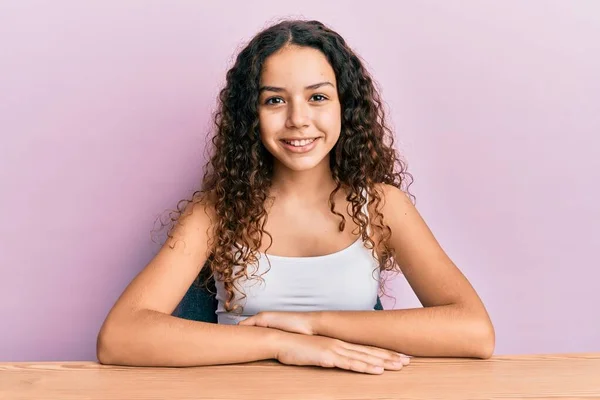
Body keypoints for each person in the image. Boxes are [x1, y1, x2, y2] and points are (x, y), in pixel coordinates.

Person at [97, 19, 495, 375]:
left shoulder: (381, 206)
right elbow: (119, 337)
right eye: (275, 100)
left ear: (345, 107)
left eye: (317, 97)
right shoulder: (216, 212)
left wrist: (314, 322)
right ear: (251, 116)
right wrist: (284, 342)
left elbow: (474, 332)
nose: (298, 119)